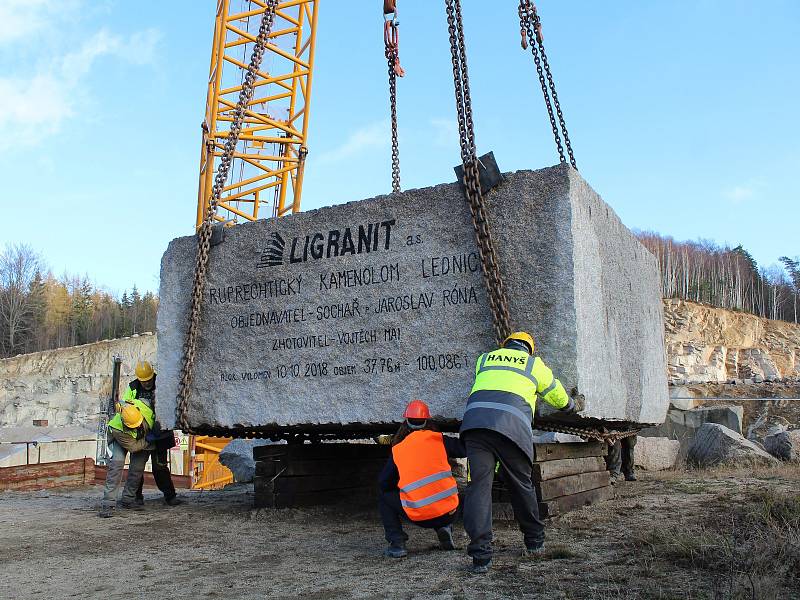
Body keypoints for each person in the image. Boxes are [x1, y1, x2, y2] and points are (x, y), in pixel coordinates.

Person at [460, 331, 579, 574]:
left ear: (506, 345)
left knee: (478, 489)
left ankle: (481, 557)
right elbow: (555, 393)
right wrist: (572, 405)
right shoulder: (534, 364)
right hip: (511, 428)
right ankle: (534, 542)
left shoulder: (485, 359)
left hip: (475, 427)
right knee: (521, 485)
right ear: (529, 349)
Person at [378, 400, 467, 558]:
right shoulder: (440, 440)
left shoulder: (398, 449)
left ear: (406, 422)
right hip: (450, 512)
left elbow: (384, 483)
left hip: (420, 518)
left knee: (384, 497)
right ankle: (444, 527)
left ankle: (397, 544)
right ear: (428, 421)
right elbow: (464, 448)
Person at [123, 361, 182, 506]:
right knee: (137, 468)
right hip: (141, 434)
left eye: (149, 380)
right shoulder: (132, 387)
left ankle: (170, 496)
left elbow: (170, 406)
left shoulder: (162, 384)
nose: (147, 383)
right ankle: (137, 497)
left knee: (160, 467)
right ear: (139, 379)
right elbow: (126, 408)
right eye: (144, 381)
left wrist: (161, 425)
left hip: (160, 435)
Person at [99, 401, 154, 517]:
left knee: (137, 469)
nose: (138, 426)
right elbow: (133, 447)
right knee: (116, 466)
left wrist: (156, 431)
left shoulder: (146, 411)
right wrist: (148, 440)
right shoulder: (117, 428)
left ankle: (128, 499)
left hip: (142, 436)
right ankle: (108, 503)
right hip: (121, 439)